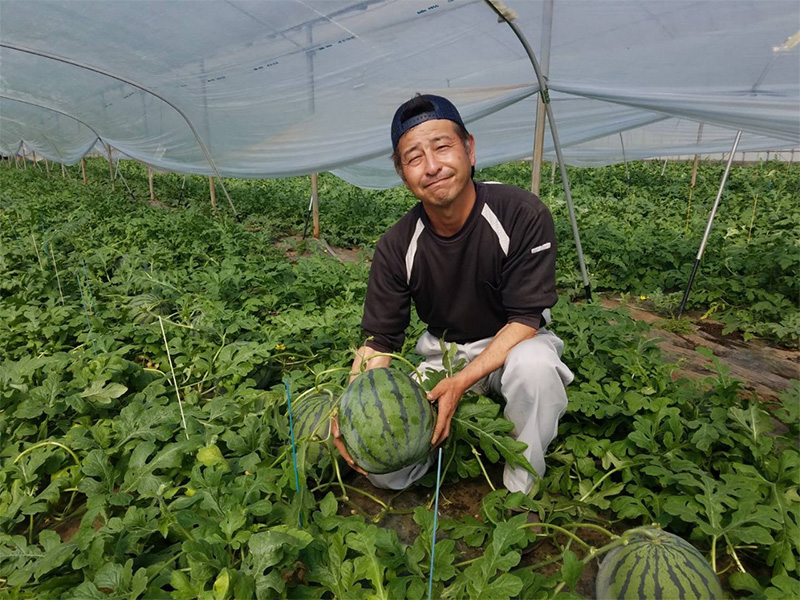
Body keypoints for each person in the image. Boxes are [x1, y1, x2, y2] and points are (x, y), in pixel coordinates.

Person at [332, 94, 574, 495]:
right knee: (385, 471)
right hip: (443, 354)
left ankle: (521, 488)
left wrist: (462, 383)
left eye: (442, 146)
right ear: (403, 174)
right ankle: (436, 446)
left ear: (470, 149)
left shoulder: (521, 213)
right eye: (414, 157)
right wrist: (351, 404)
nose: (431, 167)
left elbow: (526, 319)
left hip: (513, 344)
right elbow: (379, 342)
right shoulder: (396, 245)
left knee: (536, 370)